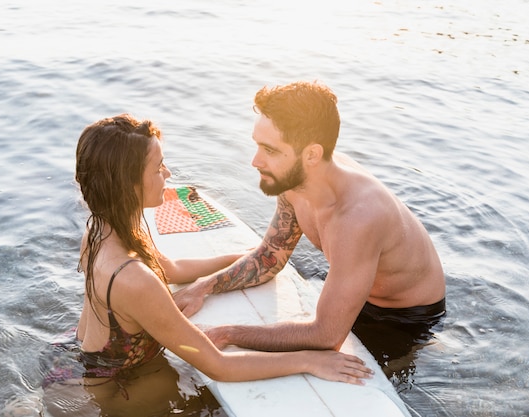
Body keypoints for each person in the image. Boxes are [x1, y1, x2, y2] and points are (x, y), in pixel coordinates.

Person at [42, 114, 373, 417]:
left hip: (72, 360)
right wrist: (310, 360)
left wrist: (248, 256)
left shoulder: (99, 229)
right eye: (158, 168)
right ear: (129, 185)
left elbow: (169, 268)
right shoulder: (134, 281)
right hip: (111, 391)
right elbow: (218, 365)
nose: (168, 174)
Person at [173, 81, 447, 375]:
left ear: (312, 155)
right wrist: (204, 286)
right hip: (358, 292)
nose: (255, 161)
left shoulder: (358, 217)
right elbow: (270, 258)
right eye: (257, 145)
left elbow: (327, 337)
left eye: (270, 150)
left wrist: (228, 334)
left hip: (405, 320)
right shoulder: (294, 181)